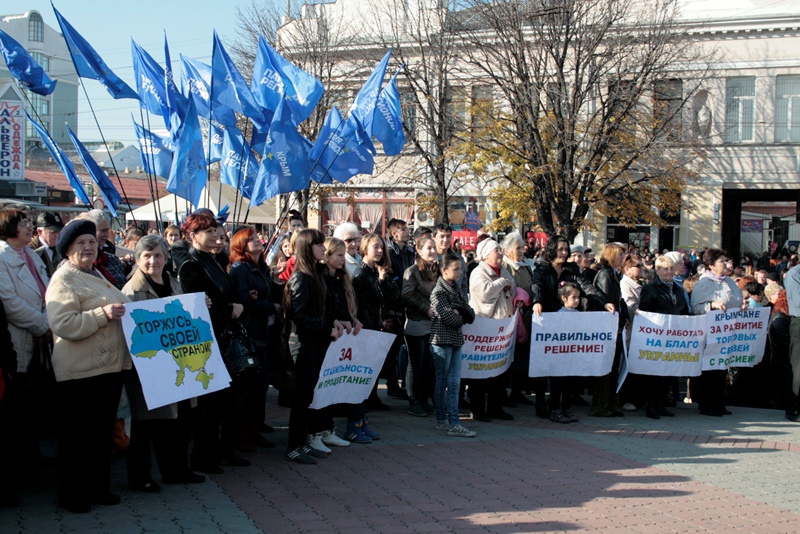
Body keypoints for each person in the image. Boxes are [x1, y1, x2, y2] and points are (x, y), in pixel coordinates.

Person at [46, 220, 131, 513]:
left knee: (98, 436)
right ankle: (72, 496)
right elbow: (63, 324)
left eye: (92, 242)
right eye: (81, 243)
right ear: (68, 249)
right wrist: (102, 314)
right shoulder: (64, 279)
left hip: (107, 369)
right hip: (80, 372)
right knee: (76, 438)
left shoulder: (95, 274)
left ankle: (97, 488)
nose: (88, 247)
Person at [121, 235, 206, 493]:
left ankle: (176, 470)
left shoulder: (173, 282)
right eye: (147, 256)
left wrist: (199, 308)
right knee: (145, 426)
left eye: (158, 255)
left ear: (166, 257)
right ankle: (140, 477)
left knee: (177, 422)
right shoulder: (131, 291)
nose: (153, 261)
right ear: (137, 259)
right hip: (148, 370)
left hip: (176, 365)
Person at [177, 212, 247, 473]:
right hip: (207, 341)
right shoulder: (192, 264)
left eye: (220, 235)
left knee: (225, 400)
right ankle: (203, 454)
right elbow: (196, 305)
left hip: (224, 336)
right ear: (194, 236)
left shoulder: (215, 261)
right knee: (208, 404)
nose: (218, 240)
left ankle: (221, 449)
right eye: (211, 235)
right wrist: (227, 308)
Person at [0, 209, 51, 504]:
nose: (30, 227)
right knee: (13, 411)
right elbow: (9, 302)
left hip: (39, 339)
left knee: (30, 407)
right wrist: (42, 324)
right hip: (17, 339)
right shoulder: (2, 257)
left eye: (30, 222)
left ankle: (29, 461)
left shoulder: (31, 255)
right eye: (24, 223)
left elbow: (47, 292)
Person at [531, 236, 611, 420]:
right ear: (551, 249)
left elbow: (586, 287)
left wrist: (605, 302)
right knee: (544, 365)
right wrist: (536, 301)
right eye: (560, 249)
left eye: (566, 249)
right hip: (547, 320)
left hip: (567, 325)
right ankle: (541, 403)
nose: (564, 253)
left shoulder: (571, 269)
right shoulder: (542, 268)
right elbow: (536, 287)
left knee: (564, 367)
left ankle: (561, 406)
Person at [284, 229, 345, 464]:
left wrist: (333, 322)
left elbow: (323, 308)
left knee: (308, 395)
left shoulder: (316, 274)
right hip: (303, 343)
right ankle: (293, 445)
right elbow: (299, 315)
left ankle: (302, 442)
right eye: (318, 244)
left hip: (315, 342)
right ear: (307, 248)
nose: (322, 248)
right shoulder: (301, 277)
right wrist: (326, 328)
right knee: (301, 397)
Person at [228, 227, 284, 451]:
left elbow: (264, 294)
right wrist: (271, 306)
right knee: (252, 386)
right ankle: (242, 433)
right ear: (241, 246)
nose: (257, 241)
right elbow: (244, 303)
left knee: (261, 385)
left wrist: (277, 284)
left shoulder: (261, 268)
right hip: (250, 334)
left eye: (256, 237)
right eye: (250, 239)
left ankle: (254, 428)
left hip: (265, 332)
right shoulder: (240, 269)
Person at [322, 237, 366, 445]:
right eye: (339, 255)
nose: (343, 259)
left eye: (343, 255)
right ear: (328, 256)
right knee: (325, 385)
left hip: (343, 334)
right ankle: (321, 430)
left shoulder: (341, 277)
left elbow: (344, 307)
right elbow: (327, 309)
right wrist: (338, 321)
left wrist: (352, 319)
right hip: (330, 336)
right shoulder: (323, 278)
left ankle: (330, 428)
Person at [352, 233, 405, 408]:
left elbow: (394, 296)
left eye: (381, 247)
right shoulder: (361, 274)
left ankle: (372, 398)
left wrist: (383, 279)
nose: (380, 250)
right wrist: (377, 325)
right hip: (367, 327)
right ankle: (365, 401)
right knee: (367, 365)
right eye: (376, 247)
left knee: (375, 364)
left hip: (378, 325)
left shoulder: (378, 272)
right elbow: (363, 306)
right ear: (365, 249)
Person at [691, 248, 745, 417]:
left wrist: (741, 307)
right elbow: (696, 307)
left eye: (726, 260)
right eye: (722, 261)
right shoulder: (705, 282)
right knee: (710, 369)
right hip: (710, 332)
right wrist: (712, 305)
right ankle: (707, 404)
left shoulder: (729, 281)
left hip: (726, 331)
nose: (726, 264)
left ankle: (719, 402)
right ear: (711, 265)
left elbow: (736, 299)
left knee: (722, 368)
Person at [467, 238, 516, 422]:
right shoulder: (478, 272)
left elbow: (513, 287)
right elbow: (484, 294)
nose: (501, 253)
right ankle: (478, 409)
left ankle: (496, 407)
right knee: (480, 371)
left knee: (500, 371)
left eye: (501, 249)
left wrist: (507, 286)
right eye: (497, 250)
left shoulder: (503, 271)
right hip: (484, 329)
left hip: (502, 330)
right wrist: (502, 283)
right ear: (486, 254)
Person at [430, 252, 476, 437]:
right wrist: (460, 313)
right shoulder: (438, 292)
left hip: (456, 340)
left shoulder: (457, 289)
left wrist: (460, 313)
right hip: (441, 341)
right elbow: (449, 317)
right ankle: (446, 420)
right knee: (443, 382)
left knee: (454, 383)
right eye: (456, 269)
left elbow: (470, 313)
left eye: (461, 269)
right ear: (444, 270)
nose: (459, 273)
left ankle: (450, 421)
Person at [638, 256, 689, 419]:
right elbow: (644, 309)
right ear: (657, 270)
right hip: (656, 334)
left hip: (673, 335)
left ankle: (661, 404)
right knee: (655, 373)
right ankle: (651, 405)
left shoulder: (678, 288)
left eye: (671, 268)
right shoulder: (650, 288)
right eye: (665, 268)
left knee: (668, 372)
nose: (668, 271)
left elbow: (683, 309)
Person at [401, 236, 438, 417]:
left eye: (434, 248)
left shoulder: (438, 269)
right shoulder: (412, 271)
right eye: (428, 248)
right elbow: (406, 296)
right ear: (420, 251)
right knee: (416, 363)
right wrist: (426, 309)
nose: (432, 251)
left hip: (434, 324)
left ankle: (424, 398)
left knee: (428, 364)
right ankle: (413, 399)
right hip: (417, 322)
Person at [502, 232, 536, 406]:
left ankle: (517, 390)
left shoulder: (526, 266)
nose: (522, 250)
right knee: (510, 354)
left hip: (526, 317)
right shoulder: (506, 267)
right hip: (512, 316)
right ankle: (504, 392)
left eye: (523, 247)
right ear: (507, 250)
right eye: (518, 248)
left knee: (522, 355)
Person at [552, 282, 584, 423]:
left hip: (571, 357)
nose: (577, 300)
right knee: (557, 384)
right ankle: (554, 409)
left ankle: (566, 408)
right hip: (560, 358)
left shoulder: (579, 314)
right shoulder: (558, 314)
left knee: (569, 385)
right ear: (564, 298)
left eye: (578, 297)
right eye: (574, 297)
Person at [75, 209, 127, 289]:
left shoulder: (112, 259)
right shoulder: (74, 265)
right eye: (103, 230)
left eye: (108, 230)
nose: (107, 234)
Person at [33, 212, 64, 277]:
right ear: (40, 232)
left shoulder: (61, 248)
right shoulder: (31, 251)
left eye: (59, 231)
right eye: (53, 232)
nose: (57, 235)